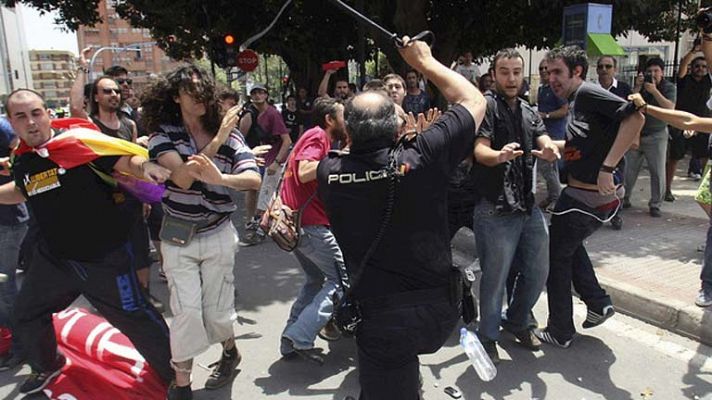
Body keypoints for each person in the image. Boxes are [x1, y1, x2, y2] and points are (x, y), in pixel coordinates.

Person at [317, 36, 485, 399]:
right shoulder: (423, 156)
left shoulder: (329, 171)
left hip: (379, 318)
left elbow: (355, 156)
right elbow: (473, 100)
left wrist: (407, 146)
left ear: (348, 132)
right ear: (397, 129)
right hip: (435, 313)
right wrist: (423, 61)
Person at [0, 89, 174, 394]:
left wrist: (146, 167)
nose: (31, 122)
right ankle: (47, 364)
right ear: (11, 123)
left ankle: (174, 375)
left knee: (137, 319)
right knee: (26, 313)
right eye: (21, 116)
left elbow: (124, 160)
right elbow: (22, 190)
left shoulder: (76, 143)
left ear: (48, 114)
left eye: (36, 113)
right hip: (54, 260)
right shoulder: (23, 158)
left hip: (105, 259)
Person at [143, 65, 262, 399]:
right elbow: (181, 178)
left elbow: (252, 179)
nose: (197, 95)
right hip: (177, 235)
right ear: (175, 96)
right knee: (186, 311)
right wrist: (218, 141)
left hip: (218, 233)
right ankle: (182, 383)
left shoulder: (231, 134)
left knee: (217, 310)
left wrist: (222, 178)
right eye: (188, 89)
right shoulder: (161, 134)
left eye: (201, 88)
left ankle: (229, 351)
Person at [534, 46, 645, 348]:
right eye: (548, 72)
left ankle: (560, 330)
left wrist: (608, 168)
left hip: (586, 199)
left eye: (558, 72)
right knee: (566, 247)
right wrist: (552, 147)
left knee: (555, 259)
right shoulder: (577, 101)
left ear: (577, 72)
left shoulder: (587, 93)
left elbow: (635, 119)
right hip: (584, 198)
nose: (551, 78)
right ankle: (598, 303)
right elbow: (583, 140)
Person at [472, 49, 559, 361]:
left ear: (524, 75)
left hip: (526, 205)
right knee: (495, 278)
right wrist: (499, 156)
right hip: (494, 207)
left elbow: (543, 137)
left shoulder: (527, 109)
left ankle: (518, 319)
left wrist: (549, 149)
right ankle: (488, 335)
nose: (511, 78)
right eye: (504, 72)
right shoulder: (486, 107)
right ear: (494, 74)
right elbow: (479, 150)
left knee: (538, 270)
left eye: (516, 72)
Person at [279, 97, 346, 363]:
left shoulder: (318, 138)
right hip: (311, 225)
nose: (347, 122)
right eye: (343, 116)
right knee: (340, 280)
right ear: (330, 120)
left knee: (315, 281)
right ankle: (300, 336)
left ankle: (289, 339)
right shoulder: (317, 136)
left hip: (301, 226)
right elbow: (305, 171)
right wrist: (341, 160)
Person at [238, 83, 292, 246]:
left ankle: (261, 231)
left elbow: (286, 141)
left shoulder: (272, 114)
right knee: (254, 191)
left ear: (266, 95)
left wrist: (276, 163)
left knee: (266, 197)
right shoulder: (250, 114)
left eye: (261, 93)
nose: (258, 96)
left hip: (272, 160)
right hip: (258, 158)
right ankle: (252, 223)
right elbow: (241, 137)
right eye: (254, 93)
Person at [624, 57, 676, 217]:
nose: (652, 74)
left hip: (657, 134)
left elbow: (670, 107)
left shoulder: (668, 87)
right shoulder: (641, 87)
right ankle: (624, 198)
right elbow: (629, 104)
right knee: (629, 168)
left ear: (662, 72)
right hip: (636, 133)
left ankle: (655, 204)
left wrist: (654, 90)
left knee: (657, 170)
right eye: (649, 71)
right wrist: (638, 87)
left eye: (656, 71)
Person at [0, 116, 29, 371]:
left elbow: (20, 153)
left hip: (8, 221)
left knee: (4, 288)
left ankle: (22, 347)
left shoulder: (3, 126)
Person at [667, 48, 711, 201]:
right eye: (697, 66)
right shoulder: (684, 79)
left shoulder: (708, 81)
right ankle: (667, 190)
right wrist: (693, 51)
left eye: (704, 66)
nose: (701, 69)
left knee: (706, 157)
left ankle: (707, 192)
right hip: (681, 122)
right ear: (692, 68)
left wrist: (707, 50)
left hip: (702, 123)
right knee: (674, 157)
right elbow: (683, 66)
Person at [596, 55, 632, 230]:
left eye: (608, 66)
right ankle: (598, 212)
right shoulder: (591, 90)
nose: (604, 70)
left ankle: (616, 214)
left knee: (618, 181)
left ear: (615, 69)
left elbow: (634, 115)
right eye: (601, 66)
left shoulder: (624, 89)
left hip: (619, 141)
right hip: (598, 141)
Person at [536, 59, 568, 210]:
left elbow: (564, 110)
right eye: (541, 69)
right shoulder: (542, 89)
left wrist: (546, 115)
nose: (543, 71)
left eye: (546, 69)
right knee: (546, 168)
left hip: (555, 134)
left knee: (549, 167)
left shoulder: (556, 89)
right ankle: (552, 195)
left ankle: (557, 198)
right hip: (543, 132)